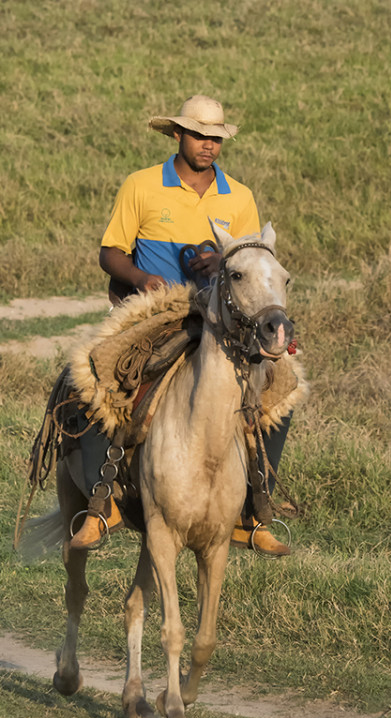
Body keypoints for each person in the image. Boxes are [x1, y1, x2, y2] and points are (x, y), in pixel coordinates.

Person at [71, 95, 291, 556]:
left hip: (220, 316)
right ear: (178, 134)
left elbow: (251, 263)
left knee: (281, 384)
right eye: (199, 135)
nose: (208, 145)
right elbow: (109, 252)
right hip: (152, 312)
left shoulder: (240, 196)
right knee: (97, 375)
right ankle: (101, 503)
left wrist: (220, 262)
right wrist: (139, 278)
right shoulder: (143, 185)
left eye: (215, 138)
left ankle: (254, 510)